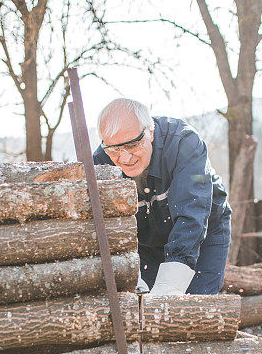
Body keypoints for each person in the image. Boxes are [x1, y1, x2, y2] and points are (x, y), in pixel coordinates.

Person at [93, 98, 231, 295]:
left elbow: (192, 214)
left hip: (202, 230)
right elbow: (107, 228)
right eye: (114, 149)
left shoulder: (184, 143)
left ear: (150, 132)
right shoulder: (100, 161)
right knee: (148, 310)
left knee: (193, 309)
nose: (124, 158)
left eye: (132, 145)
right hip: (148, 242)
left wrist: (169, 286)